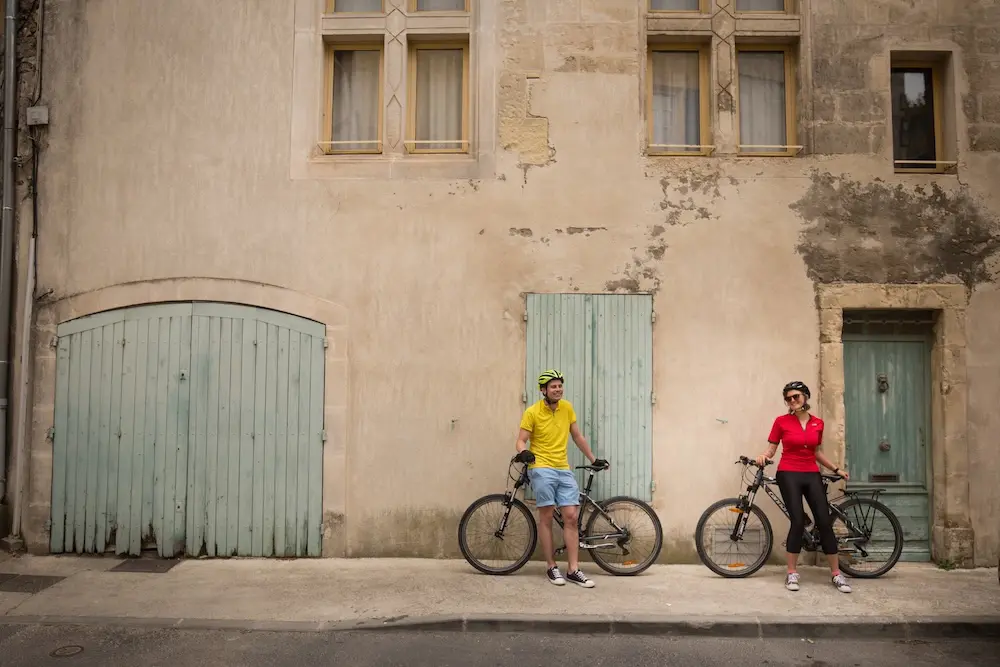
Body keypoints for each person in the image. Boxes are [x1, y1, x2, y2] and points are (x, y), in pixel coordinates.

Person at [756, 381, 853, 594]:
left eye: (796, 396)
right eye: (788, 398)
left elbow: (816, 452)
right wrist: (763, 455)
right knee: (798, 521)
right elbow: (772, 449)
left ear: (805, 397)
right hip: (788, 473)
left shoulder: (818, 423)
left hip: (811, 473)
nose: (792, 401)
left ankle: (836, 574)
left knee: (824, 522)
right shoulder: (781, 421)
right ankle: (792, 572)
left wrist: (836, 469)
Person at [514, 369, 608, 588]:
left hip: (563, 468)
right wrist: (523, 452)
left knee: (571, 517)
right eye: (553, 386)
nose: (558, 390)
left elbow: (577, 436)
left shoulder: (567, 408)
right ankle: (551, 566)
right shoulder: (532, 412)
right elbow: (520, 440)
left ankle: (574, 569)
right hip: (541, 468)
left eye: (559, 386)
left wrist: (593, 458)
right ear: (543, 390)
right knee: (546, 517)